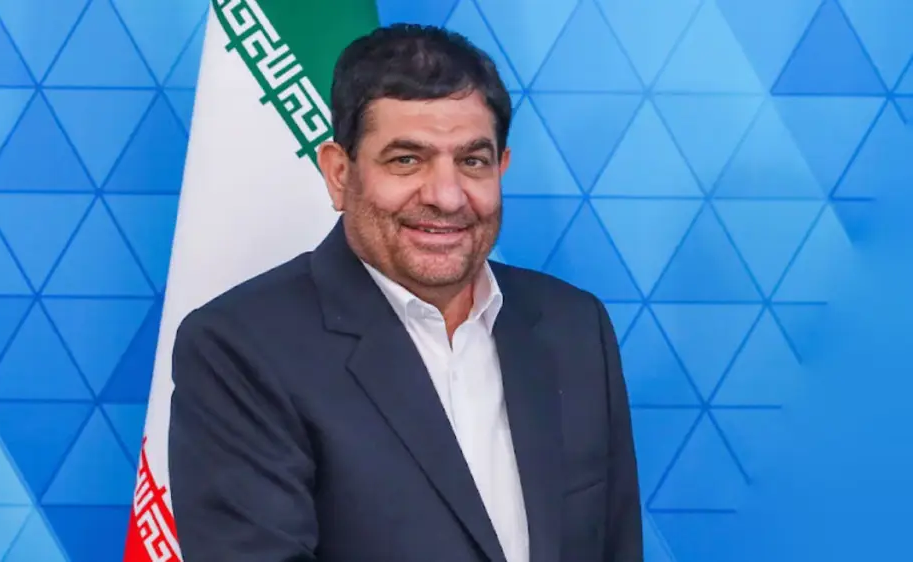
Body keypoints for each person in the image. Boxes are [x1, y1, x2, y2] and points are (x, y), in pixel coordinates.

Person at [167, 23, 642, 562]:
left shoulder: (574, 326)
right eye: (406, 160)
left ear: (501, 168)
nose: (446, 196)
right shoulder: (240, 348)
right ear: (339, 173)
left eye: (472, 161)